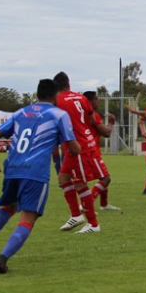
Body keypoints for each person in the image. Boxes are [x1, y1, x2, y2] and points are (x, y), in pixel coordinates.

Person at [0, 79, 81, 273]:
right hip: (35, 171)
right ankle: (2, 259)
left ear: (37, 94)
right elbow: (73, 148)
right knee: (28, 218)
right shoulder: (59, 114)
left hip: (12, 167)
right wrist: (79, 145)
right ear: (55, 95)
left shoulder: (21, 112)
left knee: (9, 206)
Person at [54, 72, 109, 233]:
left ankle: (93, 224)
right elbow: (91, 119)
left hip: (77, 145)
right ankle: (76, 215)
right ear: (68, 83)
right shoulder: (81, 97)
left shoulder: (58, 100)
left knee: (79, 183)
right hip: (83, 141)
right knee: (63, 177)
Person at [82, 91, 120, 210]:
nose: (98, 101)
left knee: (102, 176)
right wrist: (111, 123)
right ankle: (86, 206)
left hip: (83, 150)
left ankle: (104, 204)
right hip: (91, 151)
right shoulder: (93, 115)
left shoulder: (78, 115)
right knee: (106, 178)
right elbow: (107, 133)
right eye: (95, 99)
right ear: (88, 102)